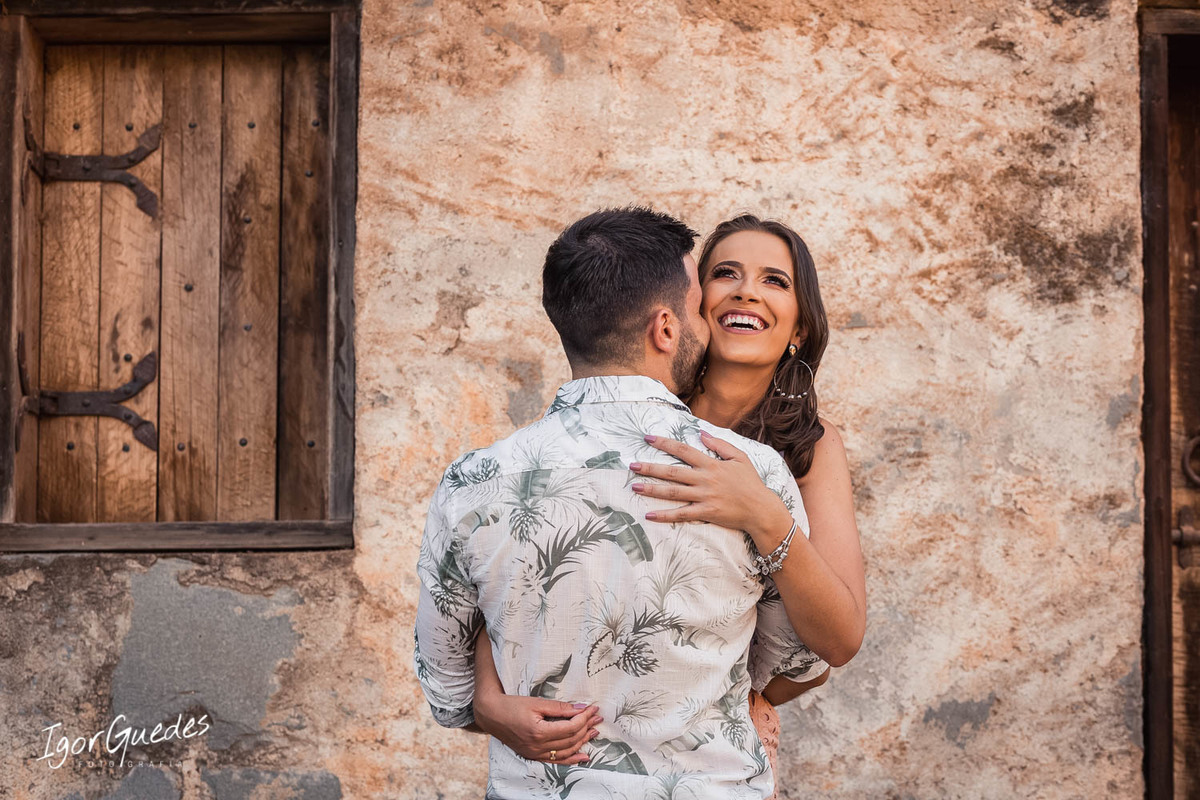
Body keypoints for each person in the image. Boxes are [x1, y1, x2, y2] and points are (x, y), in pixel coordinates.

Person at [414, 207, 833, 799]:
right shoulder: (751, 473)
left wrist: (489, 699)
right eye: (698, 309)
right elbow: (798, 655)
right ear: (666, 329)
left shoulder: (471, 482)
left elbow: (447, 691)